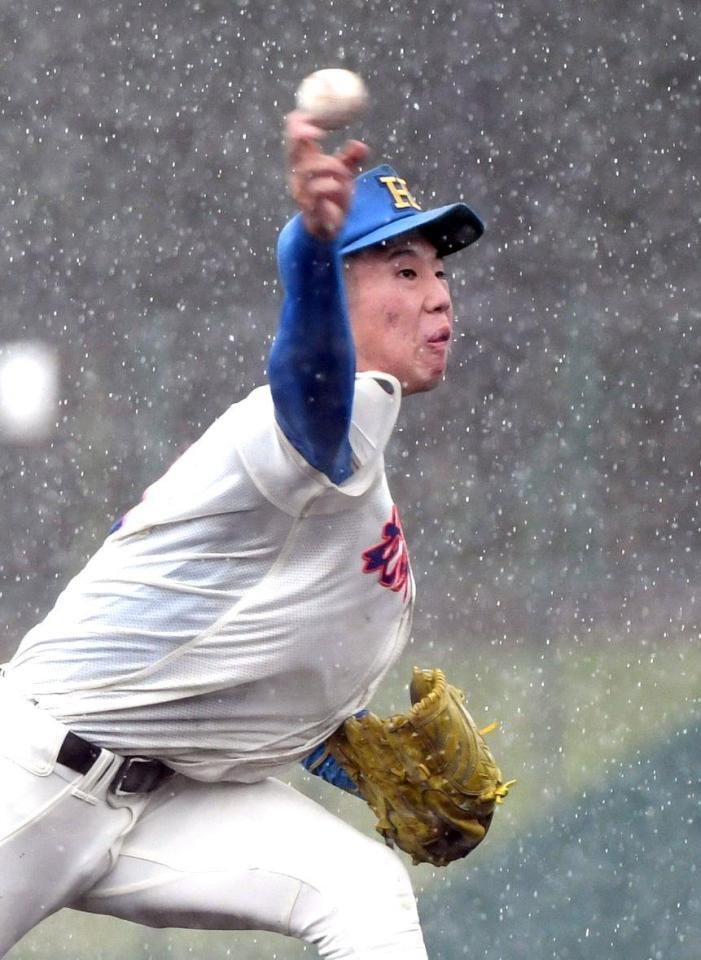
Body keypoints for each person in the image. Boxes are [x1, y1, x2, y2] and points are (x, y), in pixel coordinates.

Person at [0, 111, 484, 959]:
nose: (438, 293)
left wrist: (341, 748)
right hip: (33, 775)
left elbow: (249, 648)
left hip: (166, 800)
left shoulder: (351, 469)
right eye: (403, 270)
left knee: (362, 890)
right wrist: (309, 252)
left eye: (439, 271)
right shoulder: (319, 421)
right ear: (332, 296)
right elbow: (307, 374)